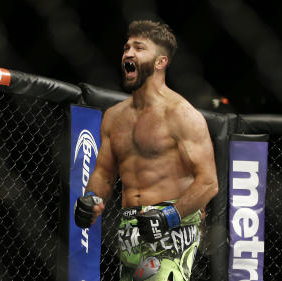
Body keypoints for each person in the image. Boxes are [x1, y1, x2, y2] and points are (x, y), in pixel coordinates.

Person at [74, 20, 218, 281]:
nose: (128, 53)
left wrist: (168, 218)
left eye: (139, 48)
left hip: (173, 228)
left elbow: (209, 183)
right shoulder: (114, 118)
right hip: (129, 228)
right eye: (126, 47)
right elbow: (104, 175)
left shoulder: (182, 114)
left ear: (160, 62)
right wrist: (91, 199)